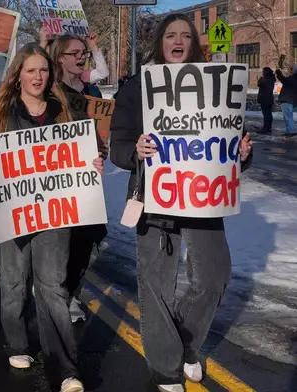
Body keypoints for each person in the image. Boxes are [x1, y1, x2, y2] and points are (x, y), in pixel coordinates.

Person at [109, 14, 253, 392]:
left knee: (215, 276)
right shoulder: (138, 86)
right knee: (156, 281)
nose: (177, 41)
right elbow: (118, 144)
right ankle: (164, 366)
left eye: (185, 36)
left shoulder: (214, 86)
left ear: (194, 43)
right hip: (155, 195)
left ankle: (186, 344)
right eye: (170, 35)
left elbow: (228, 143)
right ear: (160, 42)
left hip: (204, 196)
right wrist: (134, 150)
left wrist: (241, 153)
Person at [0, 43, 103, 392]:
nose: (38, 76)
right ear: (18, 75)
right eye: (30, 70)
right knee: (14, 285)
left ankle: (64, 366)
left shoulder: (64, 113)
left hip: (54, 214)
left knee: (52, 287)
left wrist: (92, 164)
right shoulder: (0, 113)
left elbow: (81, 155)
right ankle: (17, 343)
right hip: (12, 212)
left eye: (43, 70)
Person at [49, 34, 109, 324]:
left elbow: (102, 131)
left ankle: (72, 292)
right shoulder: (50, 92)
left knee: (89, 240)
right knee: (61, 242)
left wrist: (103, 149)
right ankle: (55, 291)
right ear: (60, 57)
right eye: (75, 53)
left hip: (88, 180)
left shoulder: (92, 91)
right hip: (57, 179)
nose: (82, 57)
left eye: (84, 52)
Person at [275, 65, 297, 137]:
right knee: (287, 116)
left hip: (287, 99)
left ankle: (291, 131)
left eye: (292, 69)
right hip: (291, 100)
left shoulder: (293, 78)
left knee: (288, 116)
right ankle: (289, 130)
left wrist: (278, 73)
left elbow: (284, 80)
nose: (291, 71)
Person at [257, 67, 275, 134]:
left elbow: (259, 84)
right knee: (269, 114)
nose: (262, 72)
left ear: (266, 72)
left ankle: (265, 128)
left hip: (265, 99)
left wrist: (260, 79)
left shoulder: (266, 79)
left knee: (266, 114)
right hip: (269, 98)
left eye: (263, 71)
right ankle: (268, 127)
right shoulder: (271, 78)